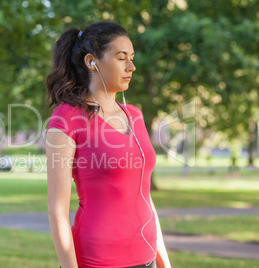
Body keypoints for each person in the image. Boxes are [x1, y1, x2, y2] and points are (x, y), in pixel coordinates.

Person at [45, 22, 171, 268]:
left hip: (147, 258)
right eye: (121, 58)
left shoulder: (135, 114)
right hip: (97, 260)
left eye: (132, 58)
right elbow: (57, 210)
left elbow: (144, 196)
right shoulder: (67, 117)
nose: (131, 67)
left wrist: (163, 261)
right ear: (92, 61)